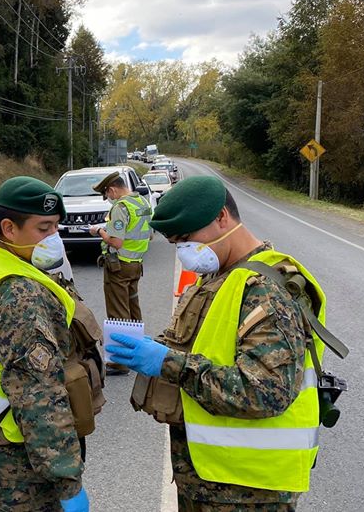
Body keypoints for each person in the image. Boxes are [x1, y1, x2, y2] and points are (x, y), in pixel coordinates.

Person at [106, 176, 330, 511]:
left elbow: (265, 392)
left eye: (187, 239)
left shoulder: (265, 290)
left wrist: (166, 362)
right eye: (175, 243)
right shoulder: (218, 276)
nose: (183, 252)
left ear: (222, 218)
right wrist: (154, 351)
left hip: (249, 491)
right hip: (211, 481)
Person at [0, 176, 91, 512]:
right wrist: (67, 481)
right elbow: (38, 393)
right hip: (22, 462)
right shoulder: (20, 295)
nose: (54, 238)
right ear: (9, 228)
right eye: (43, 228)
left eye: (56, 227)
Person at [89, 171, 152, 375]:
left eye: (107, 194)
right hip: (136, 264)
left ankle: (119, 363)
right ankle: (138, 352)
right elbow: (148, 235)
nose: (109, 198)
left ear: (112, 189)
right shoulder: (142, 203)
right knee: (133, 310)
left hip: (119, 266)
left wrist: (98, 231)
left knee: (118, 313)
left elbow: (116, 241)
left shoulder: (121, 207)